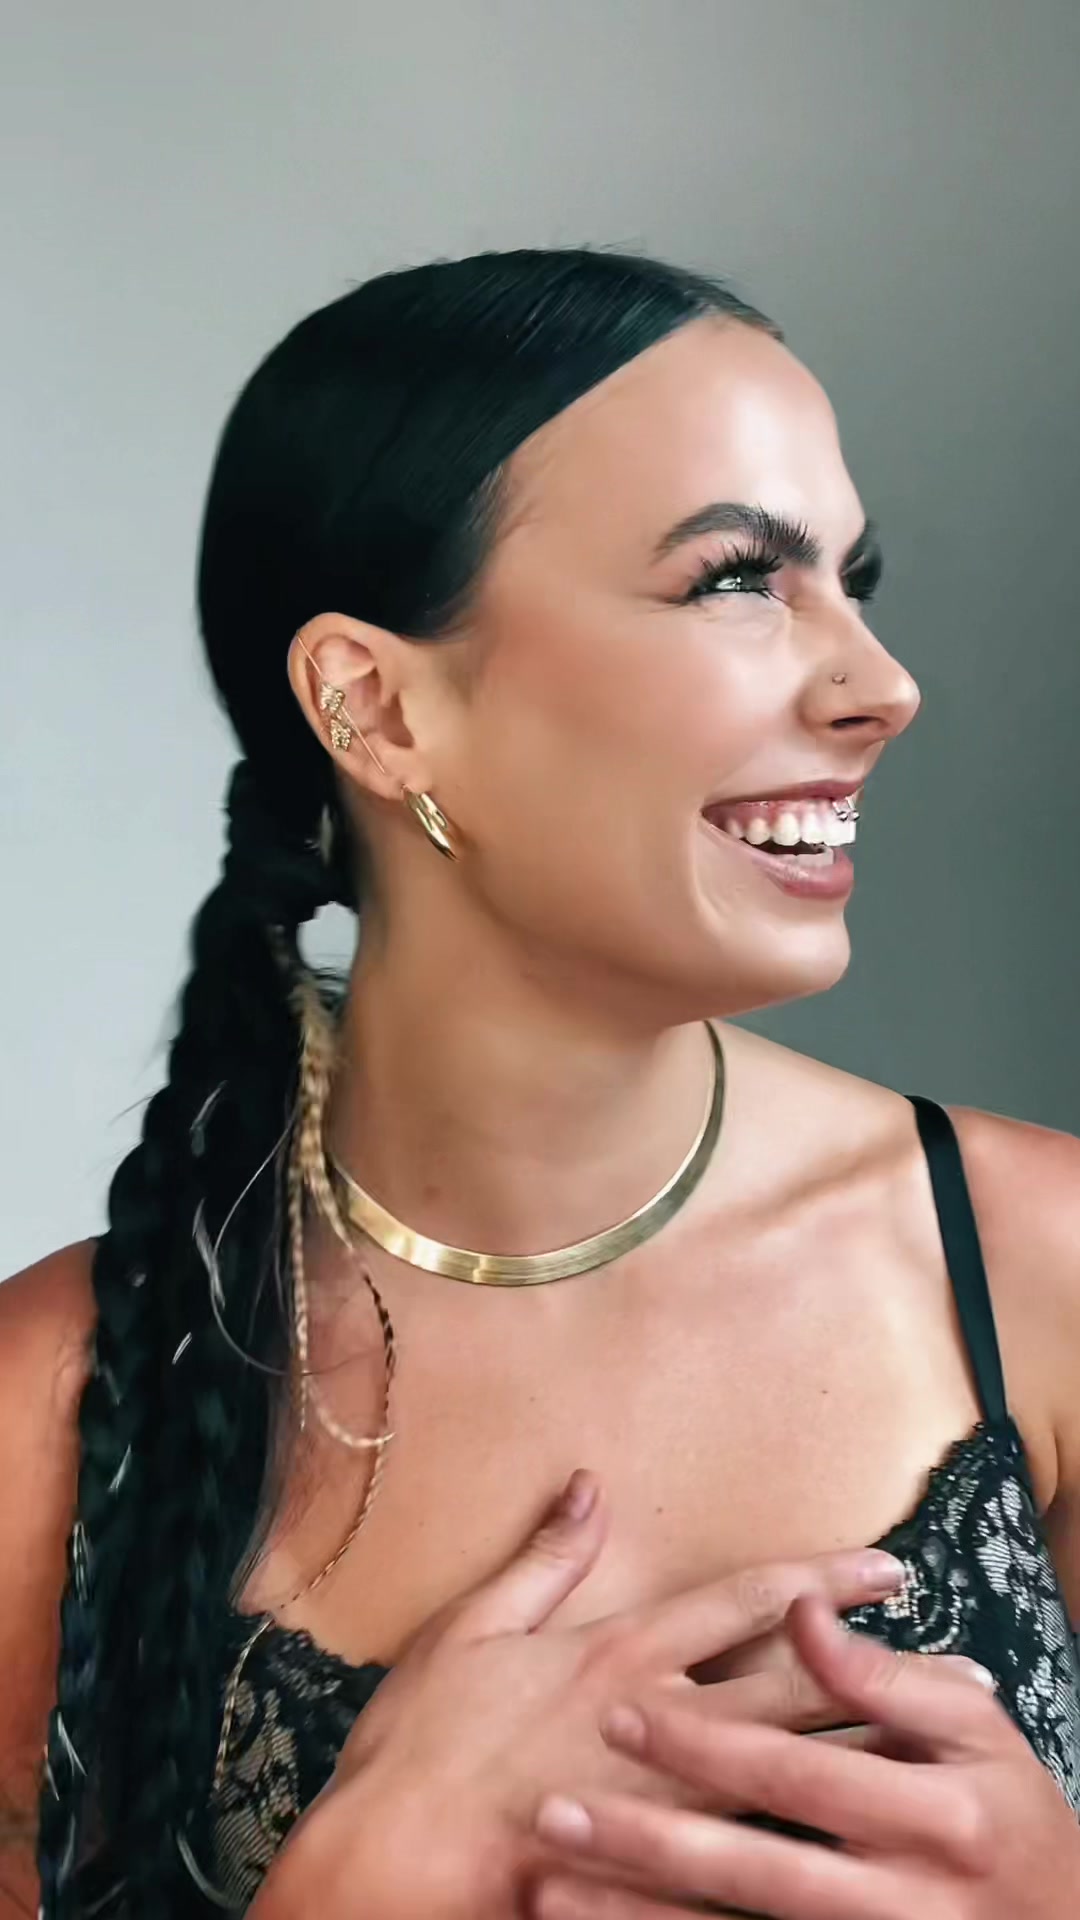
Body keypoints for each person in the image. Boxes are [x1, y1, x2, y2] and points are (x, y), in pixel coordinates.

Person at [2, 247, 1079, 1920]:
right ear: (377, 707)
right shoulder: (57, 1402)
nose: (883, 685)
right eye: (740, 579)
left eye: (853, 579)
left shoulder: (1040, 1265)